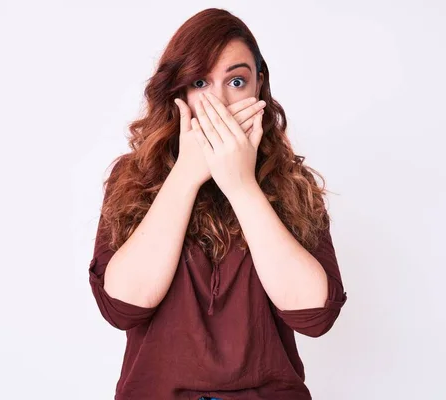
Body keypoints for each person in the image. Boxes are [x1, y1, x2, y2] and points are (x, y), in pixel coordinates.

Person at [88, 8, 348, 400]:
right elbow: (123, 307)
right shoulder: (132, 179)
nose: (220, 102)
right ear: (178, 91)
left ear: (259, 87)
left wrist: (241, 185)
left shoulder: (293, 184)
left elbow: (314, 316)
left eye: (237, 81)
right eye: (200, 82)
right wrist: (187, 174)